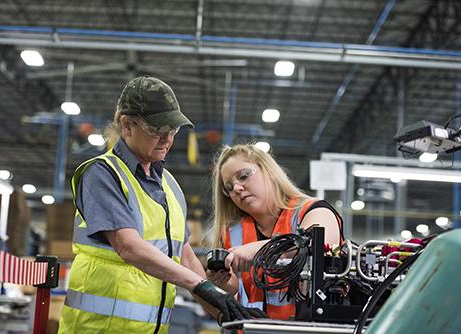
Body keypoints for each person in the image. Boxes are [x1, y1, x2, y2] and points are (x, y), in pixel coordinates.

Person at [58, 76, 264, 334]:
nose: (167, 138)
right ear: (127, 125)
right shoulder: (102, 174)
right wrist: (202, 286)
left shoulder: (169, 185)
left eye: (173, 130)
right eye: (157, 129)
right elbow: (128, 247)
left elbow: (185, 255)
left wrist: (227, 313)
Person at [207, 144, 344, 320]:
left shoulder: (314, 211)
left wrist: (260, 249)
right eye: (229, 187)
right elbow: (235, 297)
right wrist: (225, 285)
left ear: (269, 171)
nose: (237, 189)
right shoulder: (232, 234)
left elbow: (320, 242)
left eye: (243, 176)